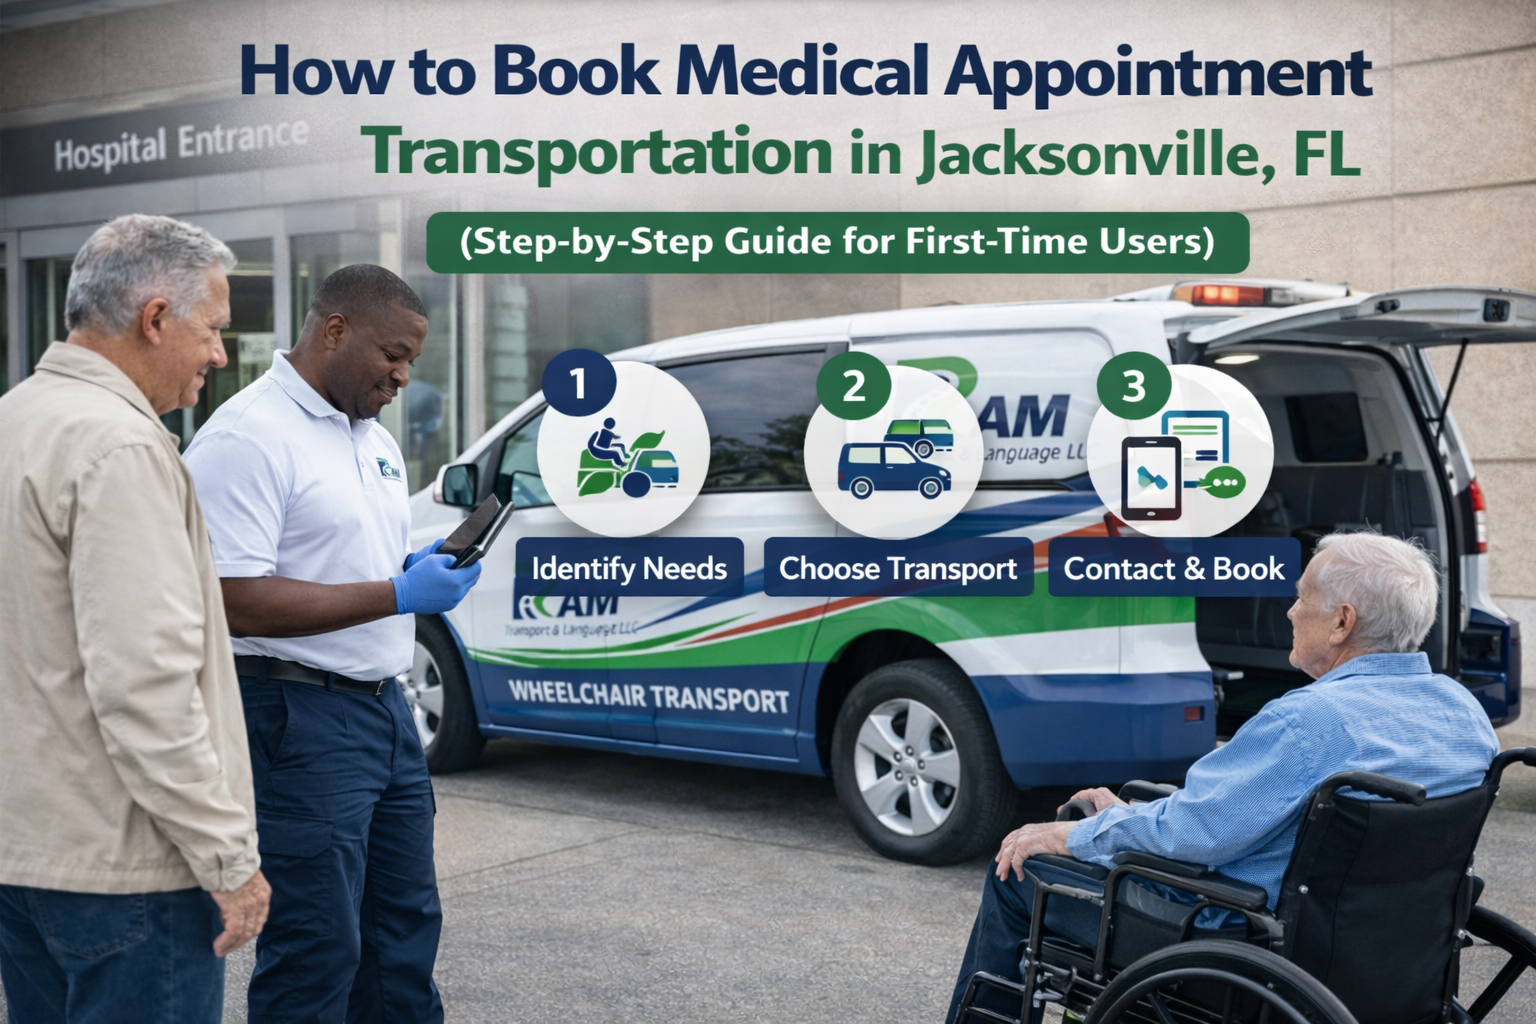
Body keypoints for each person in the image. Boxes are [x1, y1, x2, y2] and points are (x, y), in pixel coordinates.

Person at [945, 531, 1499, 1023]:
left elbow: (1194, 834)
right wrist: (1129, 815)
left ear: (1342, 622)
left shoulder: (1308, 721)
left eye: (1302, 596)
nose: (1289, 611)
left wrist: (1076, 834)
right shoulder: (1464, 716)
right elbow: (1216, 816)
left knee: (1019, 872)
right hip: (1388, 945)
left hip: (1238, 936)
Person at [182, 264, 481, 1023]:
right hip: (298, 716)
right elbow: (232, 599)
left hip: (387, 712)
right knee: (317, 949)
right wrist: (397, 594)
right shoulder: (248, 437)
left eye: (411, 358)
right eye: (392, 354)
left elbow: (336, 560)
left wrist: (406, 570)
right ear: (335, 331)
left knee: (403, 934)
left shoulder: (369, 434)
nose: (404, 375)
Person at [0, 214, 270, 1022]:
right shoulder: (121, 447)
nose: (221, 355)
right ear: (155, 318)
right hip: (128, 874)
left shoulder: (15, 420)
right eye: (215, 328)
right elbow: (145, 685)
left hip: (25, 858)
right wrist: (229, 859)